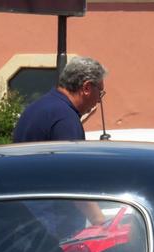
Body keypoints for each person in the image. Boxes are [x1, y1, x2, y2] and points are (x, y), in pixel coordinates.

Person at [12, 57, 106, 239]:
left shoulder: (39, 107)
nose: (99, 100)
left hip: (30, 220)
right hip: (51, 229)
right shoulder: (66, 120)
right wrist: (98, 219)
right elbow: (72, 178)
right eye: (100, 92)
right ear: (87, 88)